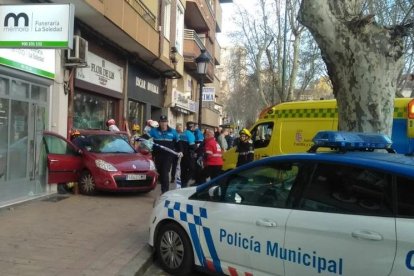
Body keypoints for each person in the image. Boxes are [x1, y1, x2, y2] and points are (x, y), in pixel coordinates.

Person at [148, 115, 182, 194]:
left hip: (168, 155)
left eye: (165, 122)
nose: (163, 124)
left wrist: (180, 151)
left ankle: (165, 191)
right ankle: (163, 185)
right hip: (157, 155)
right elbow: (146, 137)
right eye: (162, 122)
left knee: (165, 172)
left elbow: (178, 142)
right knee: (159, 171)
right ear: (159, 123)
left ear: (167, 122)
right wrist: (139, 138)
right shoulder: (154, 131)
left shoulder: (173, 132)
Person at [177, 121, 197, 187]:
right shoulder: (190, 134)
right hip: (189, 155)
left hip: (182, 155)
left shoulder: (183, 133)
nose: (195, 128)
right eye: (194, 127)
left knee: (183, 170)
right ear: (191, 127)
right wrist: (197, 146)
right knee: (192, 169)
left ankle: (183, 184)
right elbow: (192, 146)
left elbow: (179, 142)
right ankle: (185, 181)